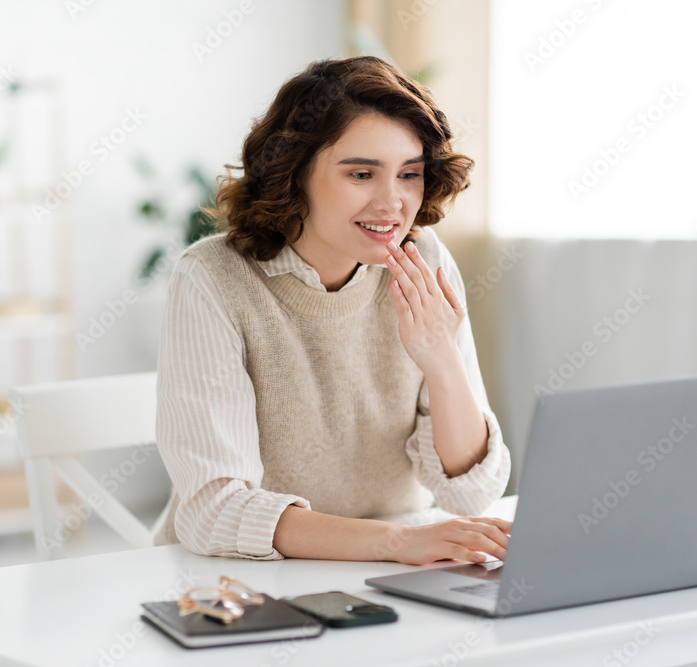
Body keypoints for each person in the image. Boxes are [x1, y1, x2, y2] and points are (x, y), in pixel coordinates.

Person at [154, 55, 511, 565]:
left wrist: (441, 359)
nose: (393, 203)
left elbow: (471, 495)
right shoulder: (212, 278)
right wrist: (395, 544)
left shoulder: (422, 260)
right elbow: (214, 508)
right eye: (362, 173)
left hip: (394, 573)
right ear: (293, 172)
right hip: (237, 582)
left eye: (409, 174)